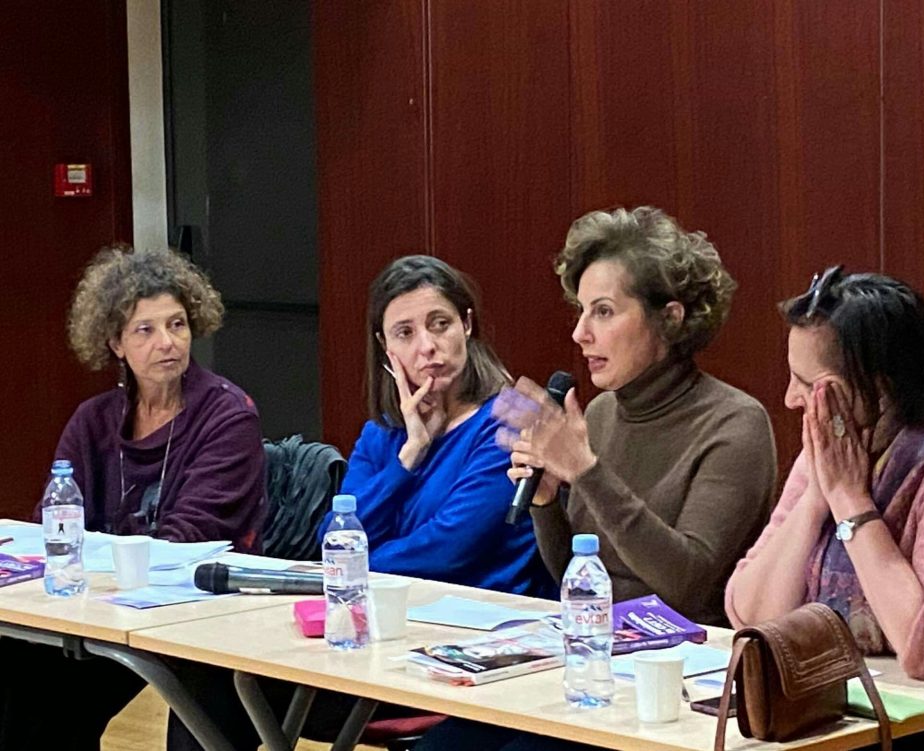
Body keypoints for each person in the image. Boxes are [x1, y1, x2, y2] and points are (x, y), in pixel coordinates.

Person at [418, 206, 777, 751]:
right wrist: (545, 501)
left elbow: (687, 582)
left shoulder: (735, 423)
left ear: (670, 318)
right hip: (594, 660)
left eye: (604, 312)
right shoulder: (603, 413)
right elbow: (582, 573)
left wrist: (586, 469)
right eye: (582, 311)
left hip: (675, 684)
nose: (580, 333)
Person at [726, 267, 924, 750]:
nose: (790, 399)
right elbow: (750, 614)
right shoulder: (840, 439)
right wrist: (817, 498)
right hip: (846, 712)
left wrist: (849, 501)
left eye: (809, 383)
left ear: (881, 387)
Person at [0, 245, 267, 751]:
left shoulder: (228, 416)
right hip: (101, 611)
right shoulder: (93, 420)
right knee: (20, 672)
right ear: (116, 343)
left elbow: (193, 537)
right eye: (145, 330)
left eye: (177, 325)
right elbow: (53, 528)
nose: (167, 342)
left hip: (199, 616)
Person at [316, 254, 551, 596]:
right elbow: (336, 536)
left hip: (489, 615)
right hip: (397, 611)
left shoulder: (513, 420)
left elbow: (446, 552)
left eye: (440, 324)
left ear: (466, 324)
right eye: (405, 333)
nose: (427, 346)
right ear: (384, 345)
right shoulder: (381, 433)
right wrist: (408, 458)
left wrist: (350, 567)